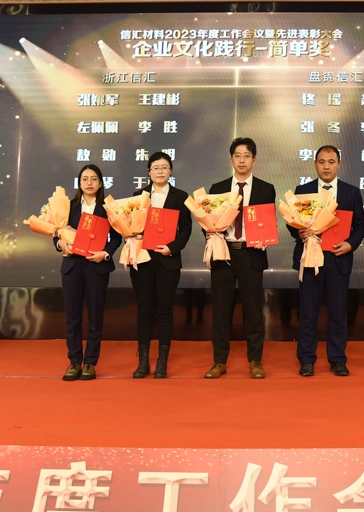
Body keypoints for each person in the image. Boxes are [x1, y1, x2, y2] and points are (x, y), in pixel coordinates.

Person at [287, 146, 364, 377]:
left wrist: (350, 244)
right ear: (315, 164)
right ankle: (306, 360)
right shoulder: (303, 191)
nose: (326, 166)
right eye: (321, 162)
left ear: (339, 164)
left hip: (338, 259)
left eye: (331, 162)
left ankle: (338, 359)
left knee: (338, 313)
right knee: (307, 313)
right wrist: (299, 233)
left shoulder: (351, 192)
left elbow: (360, 225)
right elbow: (291, 223)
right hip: (310, 258)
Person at [204, 137, 276, 380]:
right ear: (231, 159)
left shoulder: (266, 189)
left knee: (253, 311)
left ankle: (255, 361)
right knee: (221, 311)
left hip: (251, 253)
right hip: (223, 253)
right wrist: (209, 232)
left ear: (254, 160)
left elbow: (267, 222)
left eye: (246, 156)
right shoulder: (218, 188)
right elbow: (208, 220)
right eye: (237, 155)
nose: (242, 160)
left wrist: (265, 237)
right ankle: (219, 361)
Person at [55, 164, 121, 381]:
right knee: (72, 317)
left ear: (101, 183)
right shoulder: (68, 206)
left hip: (97, 266)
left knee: (95, 316)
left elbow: (117, 237)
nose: (89, 182)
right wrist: (60, 244)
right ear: (79, 182)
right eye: (85, 179)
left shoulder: (108, 208)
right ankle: (74, 361)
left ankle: (90, 362)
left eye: (94, 179)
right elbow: (56, 233)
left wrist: (106, 254)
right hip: (72, 265)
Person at [129, 152, 192, 379]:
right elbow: (129, 225)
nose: (160, 171)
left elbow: (186, 229)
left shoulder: (180, 197)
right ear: (149, 172)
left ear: (171, 171)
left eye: (164, 167)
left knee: (165, 311)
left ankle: (162, 362)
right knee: (145, 311)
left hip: (168, 260)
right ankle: (143, 362)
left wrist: (172, 248)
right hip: (143, 259)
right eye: (156, 167)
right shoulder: (138, 196)